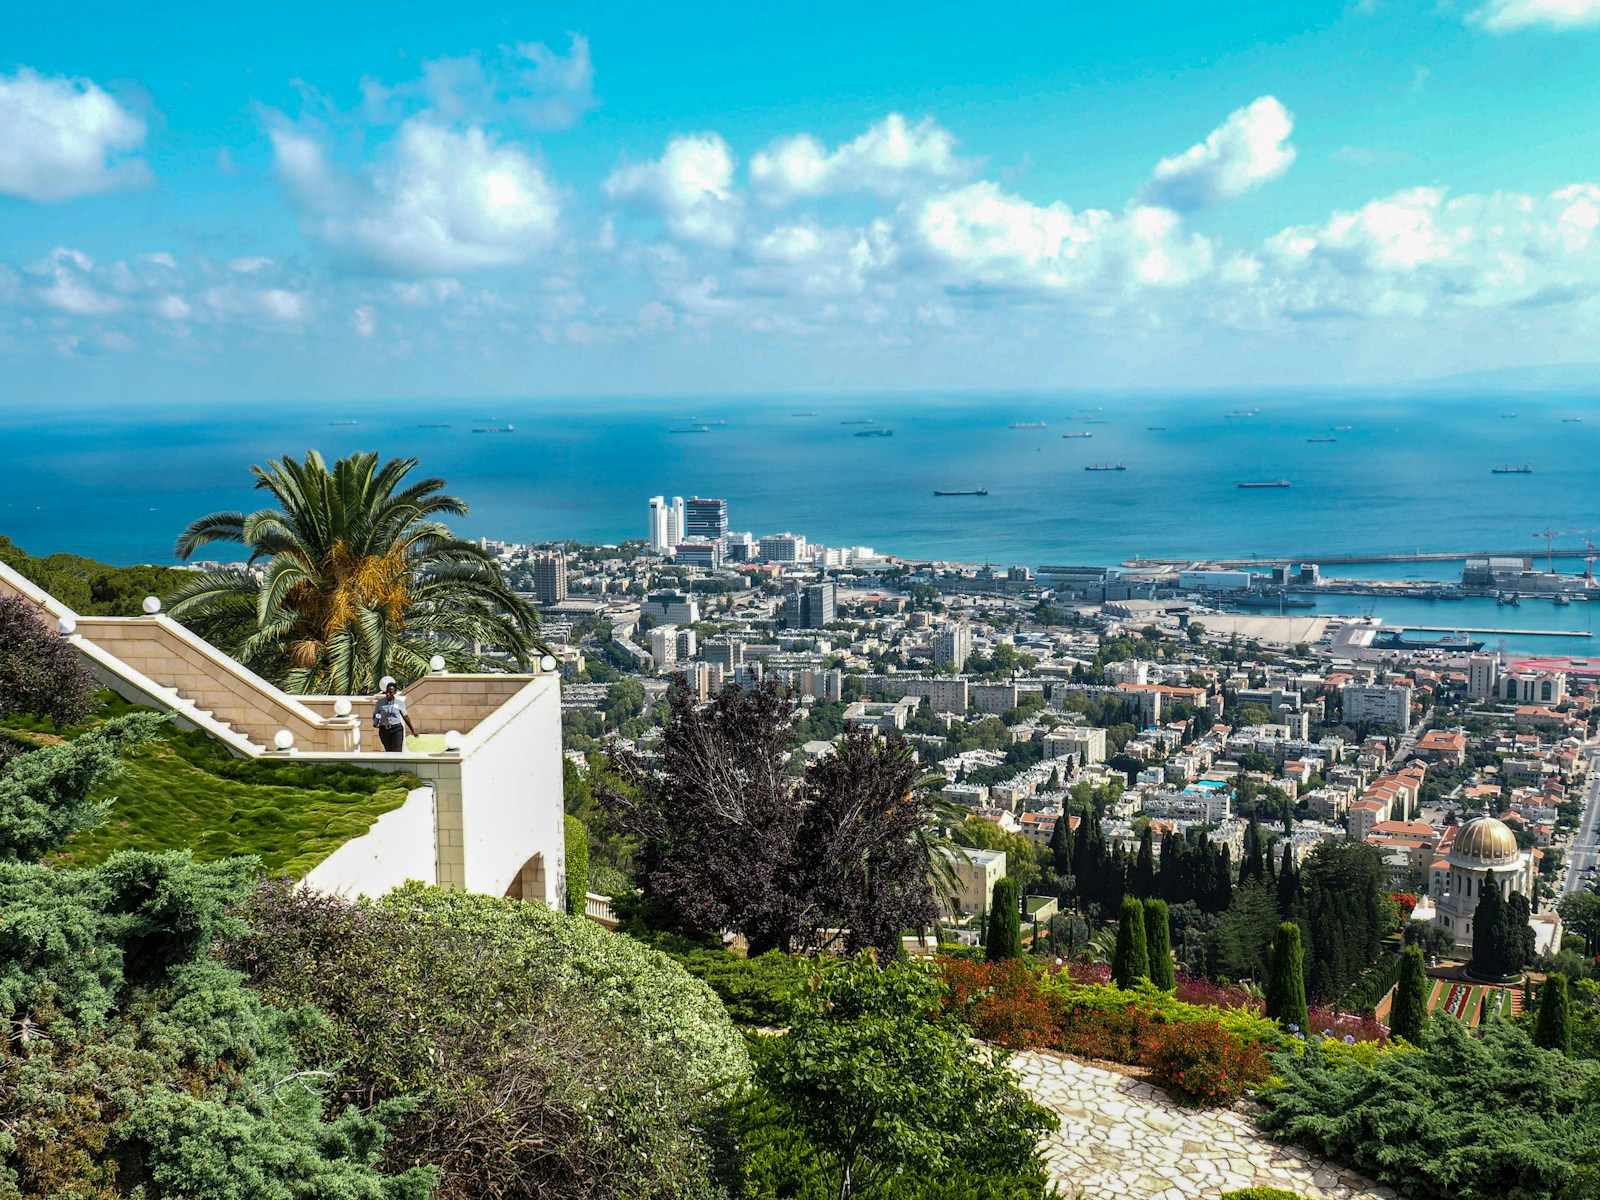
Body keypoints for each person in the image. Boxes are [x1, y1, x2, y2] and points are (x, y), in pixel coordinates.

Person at [373, 680, 418, 752]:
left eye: (390, 692)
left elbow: (405, 717)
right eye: (387, 692)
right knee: (388, 750)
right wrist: (376, 722)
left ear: (394, 692)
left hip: (397, 729)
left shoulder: (400, 703)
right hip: (384, 730)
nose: (388, 694)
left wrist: (413, 730)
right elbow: (376, 714)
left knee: (397, 750)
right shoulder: (380, 703)